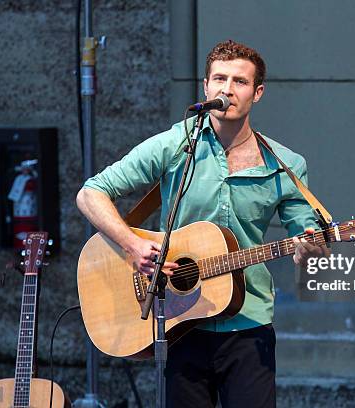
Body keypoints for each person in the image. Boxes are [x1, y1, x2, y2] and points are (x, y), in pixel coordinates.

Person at [76, 39, 328, 408]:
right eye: (219, 79)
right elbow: (91, 193)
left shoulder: (285, 164)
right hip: (178, 323)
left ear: (257, 93)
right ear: (206, 87)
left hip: (248, 324)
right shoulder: (176, 144)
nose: (227, 89)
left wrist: (309, 249)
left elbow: (304, 238)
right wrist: (133, 246)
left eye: (239, 82)